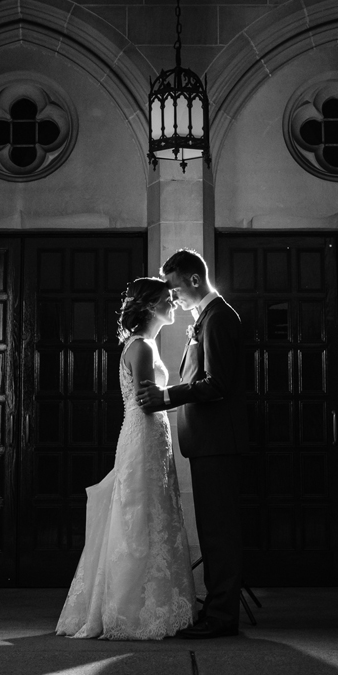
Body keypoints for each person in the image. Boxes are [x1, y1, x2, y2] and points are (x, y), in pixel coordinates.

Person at [55, 277, 197, 640]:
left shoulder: (141, 344)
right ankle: (135, 610)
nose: (173, 304)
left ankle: (144, 603)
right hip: (145, 434)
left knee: (144, 514)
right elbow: (148, 400)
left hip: (145, 434)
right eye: (167, 300)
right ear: (150, 307)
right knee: (140, 516)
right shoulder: (143, 348)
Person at [137, 248, 249, 639]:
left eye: (174, 287)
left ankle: (221, 618)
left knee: (220, 533)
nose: (172, 297)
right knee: (214, 530)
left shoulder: (218, 319)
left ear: (193, 280)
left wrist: (166, 398)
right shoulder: (205, 318)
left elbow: (217, 384)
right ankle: (217, 611)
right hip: (208, 443)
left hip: (219, 443)